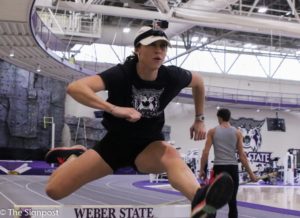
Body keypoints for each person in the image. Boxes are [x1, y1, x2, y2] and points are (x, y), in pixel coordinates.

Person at [45, 25, 234, 218]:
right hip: (114, 147)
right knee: (54, 190)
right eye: (152, 45)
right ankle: (74, 156)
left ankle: (200, 202)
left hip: (149, 147)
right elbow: (76, 88)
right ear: (137, 49)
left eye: (163, 46)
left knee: (170, 154)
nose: (159, 50)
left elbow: (199, 82)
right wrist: (113, 109)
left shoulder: (171, 76)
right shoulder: (122, 74)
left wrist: (199, 119)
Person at [199, 108, 258, 218]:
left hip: (219, 168)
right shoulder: (237, 133)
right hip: (232, 168)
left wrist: (202, 169)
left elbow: (205, 152)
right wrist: (251, 174)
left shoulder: (213, 131)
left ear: (219, 118)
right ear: (229, 118)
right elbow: (242, 156)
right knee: (232, 201)